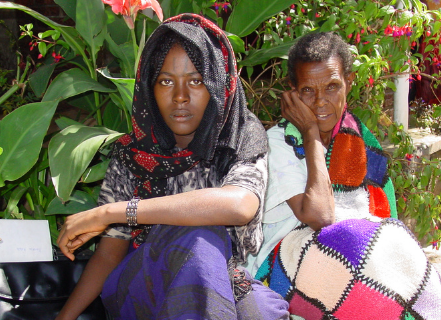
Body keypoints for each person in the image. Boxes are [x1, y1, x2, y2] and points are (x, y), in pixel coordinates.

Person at [55, 13, 289, 320]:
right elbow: (109, 256)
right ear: (150, 88)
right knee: (199, 240)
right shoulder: (133, 154)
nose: (180, 97)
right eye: (166, 81)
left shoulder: (240, 137)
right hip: (140, 284)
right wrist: (63, 318)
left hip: (220, 279)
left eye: (196, 81)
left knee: (262, 312)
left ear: (218, 87)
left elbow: (240, 204)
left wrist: (113, 211)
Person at [243, 32, 441, 320]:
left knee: (409, 266)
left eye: (332, 87)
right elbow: (321, 217)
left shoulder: (359, 140)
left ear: (348, 84)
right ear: (292, 92)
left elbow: (384, 222)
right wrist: (310, 135)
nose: (320, 102)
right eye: (307, 91)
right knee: (368, 287)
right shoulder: (279, 143)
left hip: (348, 254)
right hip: (282, 262)